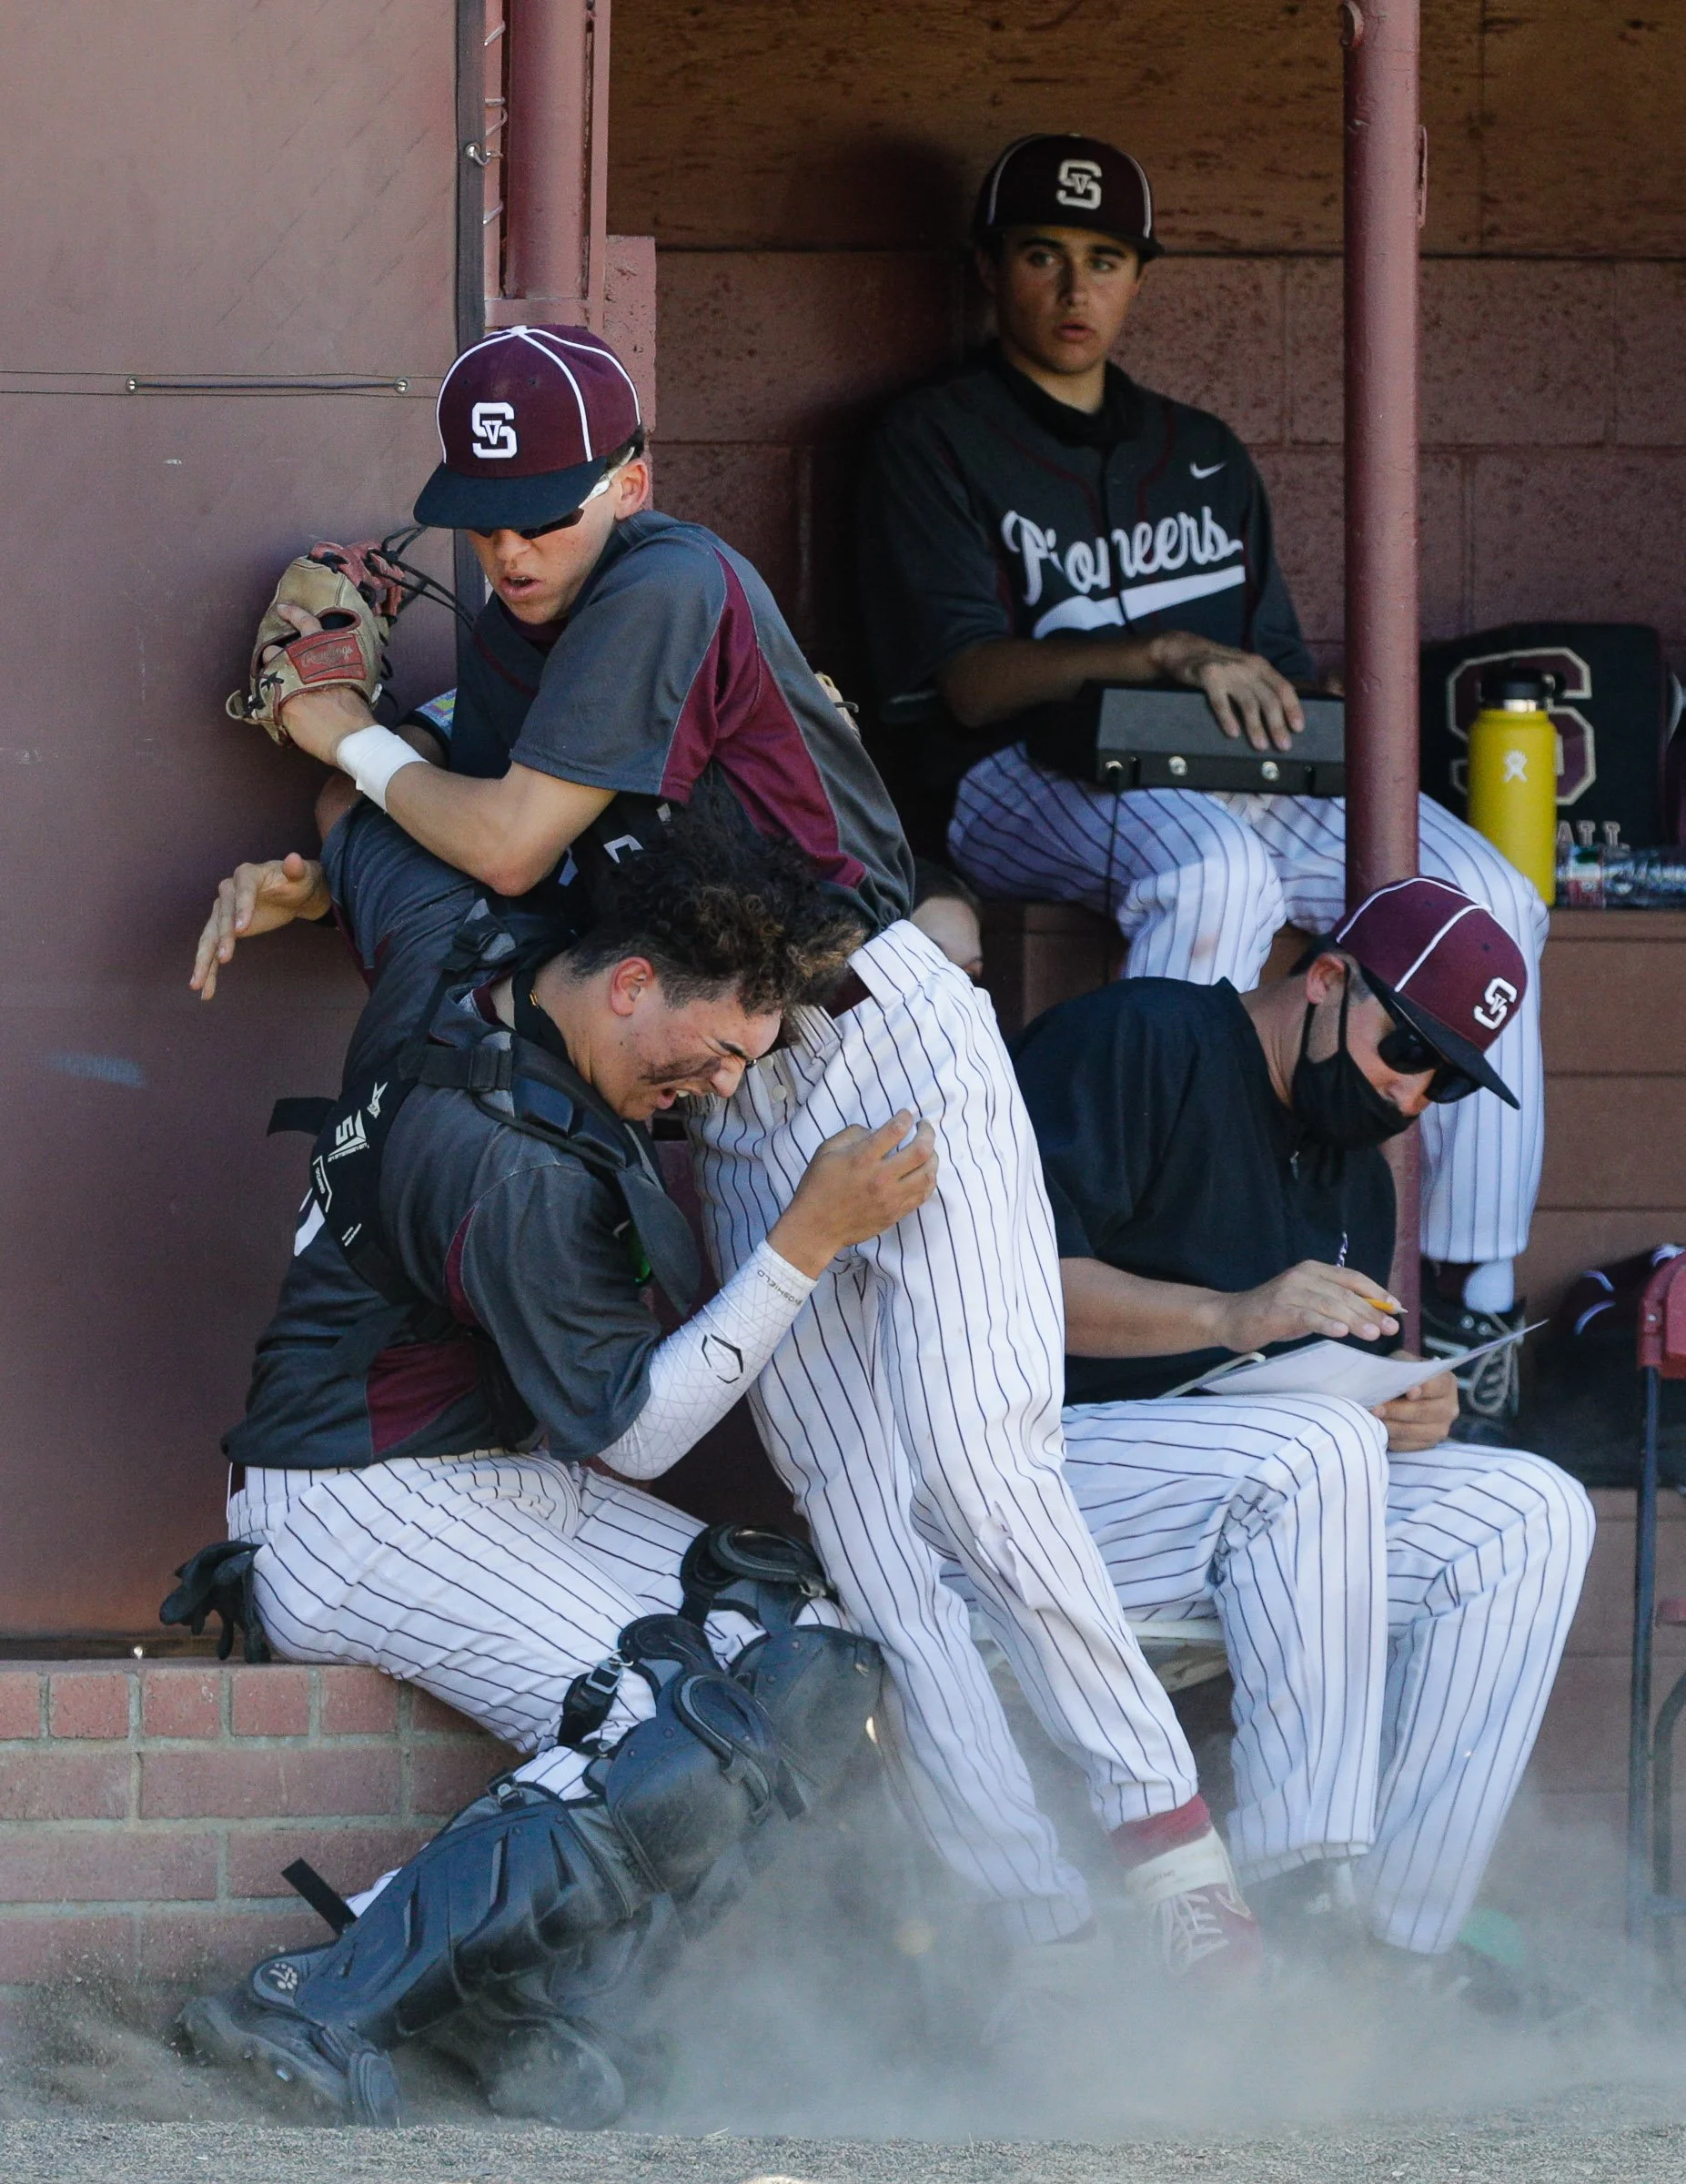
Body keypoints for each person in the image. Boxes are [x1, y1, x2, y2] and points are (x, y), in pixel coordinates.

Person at [221, 319, 1263, 1996]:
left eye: (548, 509)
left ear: (627, 481)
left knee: (981, 1473)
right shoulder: (522, 631)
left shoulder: (663, 575)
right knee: (860, 1523)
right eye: (484, 515)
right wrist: (320, 861)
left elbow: (495, 832)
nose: (512, 547)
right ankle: (1037, 1939)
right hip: (726, 1082)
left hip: (877, 1025)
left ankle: (1189, 1895)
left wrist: (339, 732)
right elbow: (487, 846)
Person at [173, 792, 932, 2124]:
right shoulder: (511, 1167)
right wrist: (805, 1242)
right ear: (631, 984)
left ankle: (547, 1999)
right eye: (716, 1053)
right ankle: (319, 2000)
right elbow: (636, 1434)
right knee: (670, 1720)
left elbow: (370, 829)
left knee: (814, 1651)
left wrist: (303, 868)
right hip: (353, 1510)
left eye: (750, 1060)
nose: (725, 1088)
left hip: (480, 1477)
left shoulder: (470, 938)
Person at [855, 132, 1548, 1438]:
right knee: (1209, 871)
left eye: (1103, 260)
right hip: (1009, 778)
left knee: (1482, 893)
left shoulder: (1205, 452)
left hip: (1219, 775)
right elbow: (964, 684)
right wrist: (1156, 650)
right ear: (990, 268)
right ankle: (1140, 1274)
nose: (1073, 286)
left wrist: (1307, 713)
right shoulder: (931, 437)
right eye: (1042, 255)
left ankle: (1468, 1298)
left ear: (1138, 279)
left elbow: (1274, 668)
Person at [1009, 876, 1594, 1977]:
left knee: (1528, 1509)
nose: (1412, 1095)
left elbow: (1308, 1396)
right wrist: (1229, 1317)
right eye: (1404, 1049)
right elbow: (997, 1298)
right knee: (1313, 1455)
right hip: (1030, 1477)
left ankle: (1392, 1946)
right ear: (1326, 979)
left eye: (1444, 1083)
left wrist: (1399, 1411)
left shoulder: (1354, 1184)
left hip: (1239, 1509)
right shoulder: (1143, 1038)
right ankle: (1302, 1895)